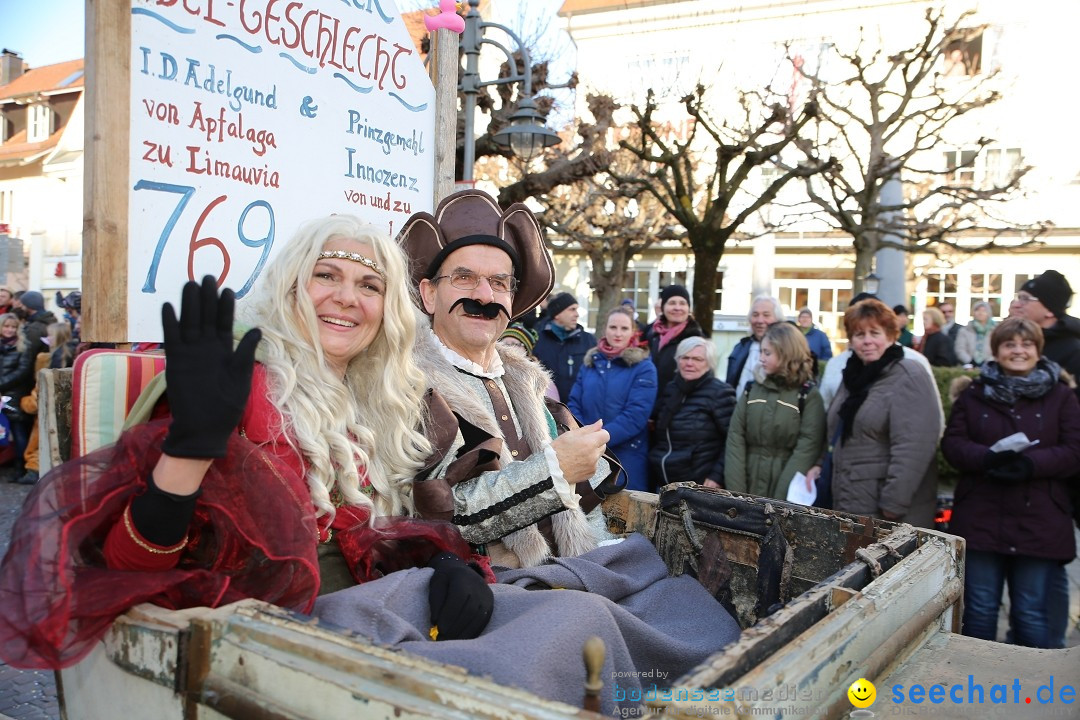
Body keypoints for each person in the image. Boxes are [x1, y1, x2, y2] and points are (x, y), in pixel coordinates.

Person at [0, 216, 495, 669]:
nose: (347, 297)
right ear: (290, 287)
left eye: (370, 285)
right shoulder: (230, 383)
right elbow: (126, 569)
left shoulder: (378, 405)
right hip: (265, 650)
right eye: (326, 275)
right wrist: (190, 447)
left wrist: (443, 561)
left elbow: (359, 539)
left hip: (376, 618)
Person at [401, 190, 620, 569]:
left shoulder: (530, 387)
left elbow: (586, 505)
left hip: (571, 575)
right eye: (465, 278)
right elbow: (439, 516)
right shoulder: (407, 387)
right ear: (430, 294)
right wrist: (555, 469)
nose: (484, 296)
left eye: (500, 283)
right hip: (486, 588)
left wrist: (601, 565)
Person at [942, 318, 1080, 648]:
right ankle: (977, 685)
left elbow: (1074, 450)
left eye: (1026, 344)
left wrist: (1031, 464)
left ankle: (1030, 690)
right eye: (1010, 344)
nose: (1018, 351)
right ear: (997, 350)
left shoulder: (1062, 396)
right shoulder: (974, 394)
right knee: (979, 610)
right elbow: (953, 444)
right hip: (982, 517)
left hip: (1040, 521)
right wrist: (986, 457)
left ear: (1038, 349)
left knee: (1031, 612)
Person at [809, 299, 942, 526]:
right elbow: (836, 430)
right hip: (850, 498)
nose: (867, 341)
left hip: (886, 510)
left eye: (875, 333)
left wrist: (893, 505)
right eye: (860, 334)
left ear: (891, 336)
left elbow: (914, 448)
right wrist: (821, 463)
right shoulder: (852, 376)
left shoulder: (909, 374)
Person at [1006, 269, 1080, 649]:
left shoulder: (1073, 349)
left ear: (1048, 310)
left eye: (1027, 298)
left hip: (1060, 475)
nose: (1018, 302)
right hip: (1025, 473)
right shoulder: (1024, 341)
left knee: (1051, 564)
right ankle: (1028, 633)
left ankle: (1050, 641)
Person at [725, 323, 825, 500]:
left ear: (787, 353)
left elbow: (807, 448)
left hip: (784, 489)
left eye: (767, 353)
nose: (761, 358)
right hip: (748, 485)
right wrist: (737, 493)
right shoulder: (751, 390)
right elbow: (735, 437)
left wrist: (781, 500)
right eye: (761, 352)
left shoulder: (808, 396)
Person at [569, 307, 657, 491]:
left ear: (633, 332)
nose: (617, 333)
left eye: (624, 328)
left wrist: (597, 439)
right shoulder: (590, 363)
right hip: (586, 452)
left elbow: (635, 415)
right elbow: (574, 403)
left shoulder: (643, 367)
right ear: (605, 330)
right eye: (613, 327)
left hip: (626, 456)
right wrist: (583, 435)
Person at [649, 337, 736, 489]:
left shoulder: (720, 393)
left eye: (697, 359)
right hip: (664, 481)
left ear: (709, 363)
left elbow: (732, 440)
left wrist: (717, 476)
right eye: (685, 357)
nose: (690, 363)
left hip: (699, 484)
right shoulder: (671, 389)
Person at [532, 292, 596, 402]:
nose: (577, 314)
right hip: (548, 409)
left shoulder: (588, 340)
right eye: (572, 309)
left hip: (578, 410)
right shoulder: (537, 340)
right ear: (557, 314)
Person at [646, 284, 705, 402]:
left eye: (682, 303)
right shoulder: (651, 335)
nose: (677, 308)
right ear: (663, 307)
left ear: (688, 308)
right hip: (648, 406)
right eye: (672, 303)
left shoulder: (696, 339)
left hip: (678, 409)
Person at [726, 296, 783, 396]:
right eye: (755, 315)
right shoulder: (740, 348)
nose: (760, 321)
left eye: (766, 315)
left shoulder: (786, 350)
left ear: (778, 319)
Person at [499, 322, 558, 401]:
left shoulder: (541, 380)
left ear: (526, 351)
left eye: (515, 344)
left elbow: (552, 410)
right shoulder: (492, 372)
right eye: (504, 344)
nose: (508, 348)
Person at [954, 301, 995, 368]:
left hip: (990, 365)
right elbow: (960, 349)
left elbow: (997, 349)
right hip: (968, 366)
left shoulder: (995, 330)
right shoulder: (964, 330)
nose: (980, 313)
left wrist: (988, 361)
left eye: (984, 311)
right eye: (977, 310)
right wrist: (970, 361)